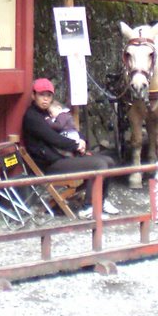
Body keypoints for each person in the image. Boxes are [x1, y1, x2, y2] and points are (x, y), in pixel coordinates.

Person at [22, 78, 119, 217]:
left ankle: (101, 200)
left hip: (61, 157)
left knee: (109, 161)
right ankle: (88, 207)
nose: (45, 99)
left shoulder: (48, 112)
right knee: (99, 164)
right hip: (50, 164)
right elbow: (53, 138)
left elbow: (66, 128)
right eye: (41, 95)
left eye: (48, 95)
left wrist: (80, 140)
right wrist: (75, 145)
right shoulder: (32, 117)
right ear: (33, 95)